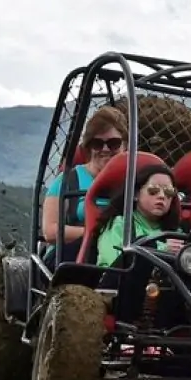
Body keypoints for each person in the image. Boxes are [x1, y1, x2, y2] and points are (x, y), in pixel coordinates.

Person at [41, 106, 129, 264]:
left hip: (120, 253)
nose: (105, 149)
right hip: (71, 253)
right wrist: (98, 234)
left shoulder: (134, 183)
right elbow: (50, 231)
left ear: (125, 145)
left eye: (113, 143)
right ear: (88, 146)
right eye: (97, 143)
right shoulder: (69, 180)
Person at [93, 164, 183, 266]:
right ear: (136, 194)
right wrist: (162, 250)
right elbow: (111, 262)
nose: (162, 196)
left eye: (169, 192)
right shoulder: (121, 224)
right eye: (153, 190)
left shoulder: (176, 233)